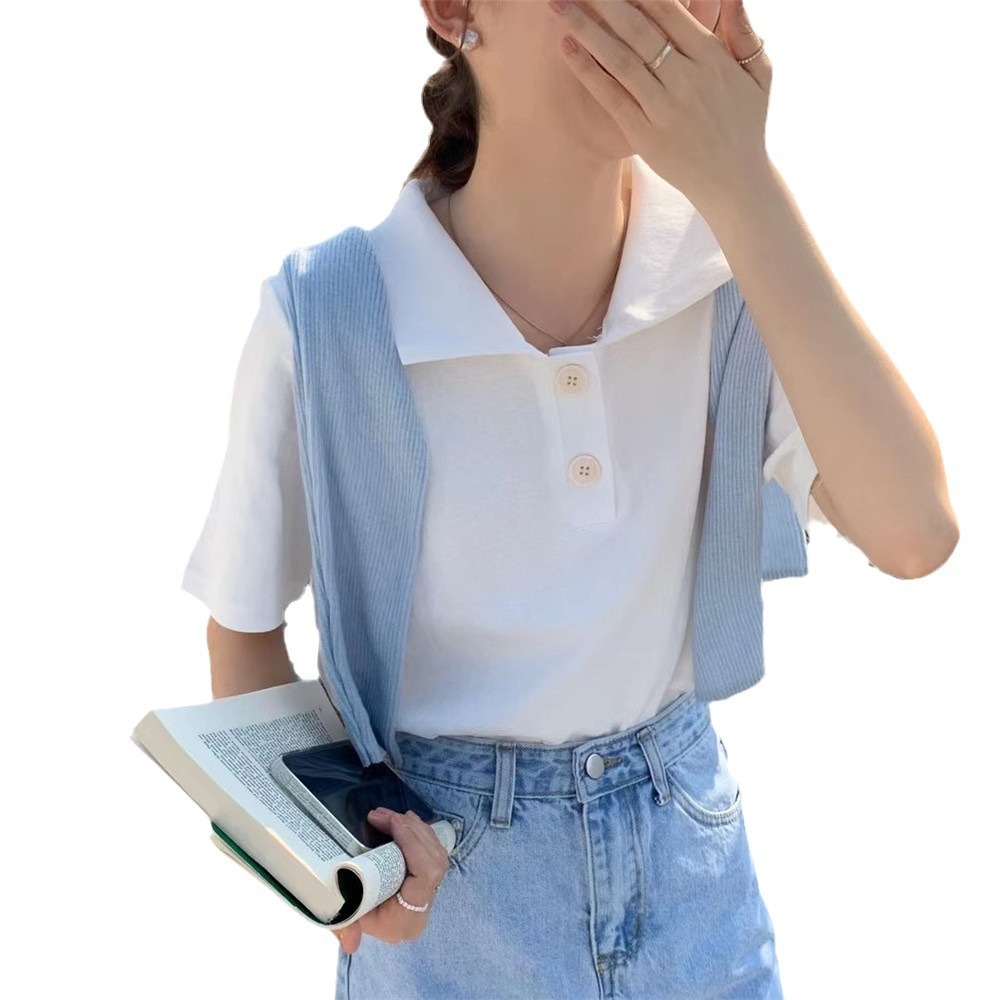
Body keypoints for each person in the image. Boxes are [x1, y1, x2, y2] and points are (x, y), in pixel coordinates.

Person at [182, 2, 959, 997]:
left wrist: (745, 182)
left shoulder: (729, 274)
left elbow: (914, 532)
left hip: (696, 901)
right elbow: (244, 636)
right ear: (454, 12)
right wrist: (344, 861)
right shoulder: (331, 313)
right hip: (448, 926)